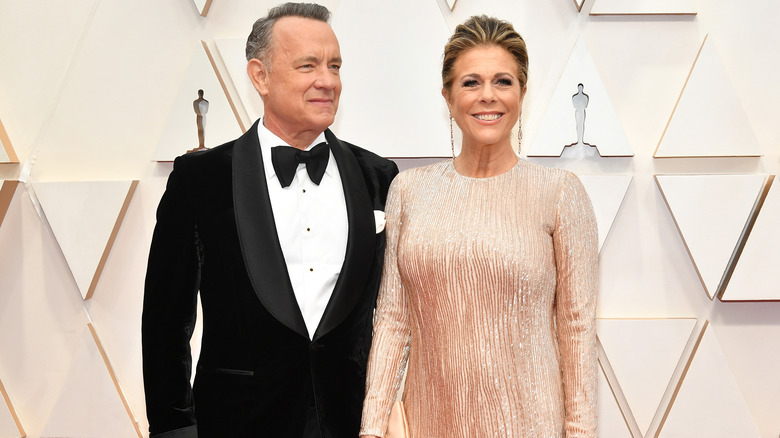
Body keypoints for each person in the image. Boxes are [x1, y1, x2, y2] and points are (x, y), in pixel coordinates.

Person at [142, 3, 398, 437]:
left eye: (334, 66)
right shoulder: (200, 180)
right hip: (236, 423)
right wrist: (174, 429)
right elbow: (166, 323)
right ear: (260, 76)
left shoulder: (379, 177)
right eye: (308, 66)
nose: (328, 81)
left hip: (351, 423)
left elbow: (394, 316)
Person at [360, 15, 598, 438]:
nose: (488, 96)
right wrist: (372, 428)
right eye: (471, 82)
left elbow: (577, 333)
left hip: (529, 425)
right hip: (430, 422)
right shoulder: (409, 191)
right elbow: (394, 321)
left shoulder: (559, 193)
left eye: (503, 81)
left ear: (523, 93)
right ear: (448, 97)